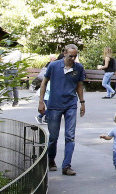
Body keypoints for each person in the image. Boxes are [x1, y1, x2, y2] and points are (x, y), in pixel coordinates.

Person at [37, 45, 86, 175]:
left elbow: (79, 86)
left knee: (70, 136)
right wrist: (41, 102)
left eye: (75, 56)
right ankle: (51, 160)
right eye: (71, 56)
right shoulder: (53, 66)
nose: (73, 58)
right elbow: (44, 82)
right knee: (53, 136)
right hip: (54, 105)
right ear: (64, 53)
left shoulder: (78, 68)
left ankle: (66, 166)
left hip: (70, 104)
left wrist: (82, 102)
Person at [1, 41, 24, 106]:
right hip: (15, 70)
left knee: (9, 86)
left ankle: (10, 101)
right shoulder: (19, 52)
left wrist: (1, 59)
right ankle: (16, 102)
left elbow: (6, 61)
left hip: (9, 70)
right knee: (15, 86)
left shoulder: (9, 52)